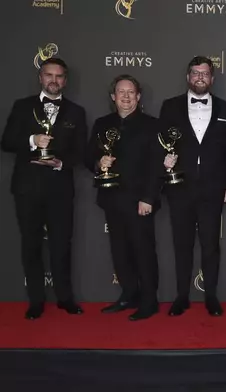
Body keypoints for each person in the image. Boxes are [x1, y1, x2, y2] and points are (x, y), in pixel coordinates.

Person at [1, 58, 87, 320]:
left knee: (62, 245)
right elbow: (6, 142)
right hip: (27, 188)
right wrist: (32, 139)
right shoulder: (22, 106)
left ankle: (65, 297)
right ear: (40, 78)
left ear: (65, 80)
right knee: (31, 245)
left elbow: (81, 152)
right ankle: (36, 300)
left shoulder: (76, 111)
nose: (54, 80)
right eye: (49, 75)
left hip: (60, 189)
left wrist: (61, 162)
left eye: (59, 76)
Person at [159, 56, 226, 317]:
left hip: (213, 188)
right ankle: (181, 296)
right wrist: (165, 162)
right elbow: (161, 143)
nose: (200, 77)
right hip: (179, 186)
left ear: (212, 79)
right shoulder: (169, 107)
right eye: (195, 73)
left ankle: (211, 296)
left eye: (205, 73)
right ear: (188, 77)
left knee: (211, 245)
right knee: (182, 244)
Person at [86, 75, 165, 321]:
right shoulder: (102, 123)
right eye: (121, 92)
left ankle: (149, 301)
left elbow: (156, 166)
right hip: (111, 199)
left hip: (140, 201)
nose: (126, 96)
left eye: (131, 92)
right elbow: (89, 157)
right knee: (120, 252)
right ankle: (129, 294)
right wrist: (99, 162)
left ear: (138, 96)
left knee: (144, 252)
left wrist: (148, 198)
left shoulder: (152, 125)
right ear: (113, 97)